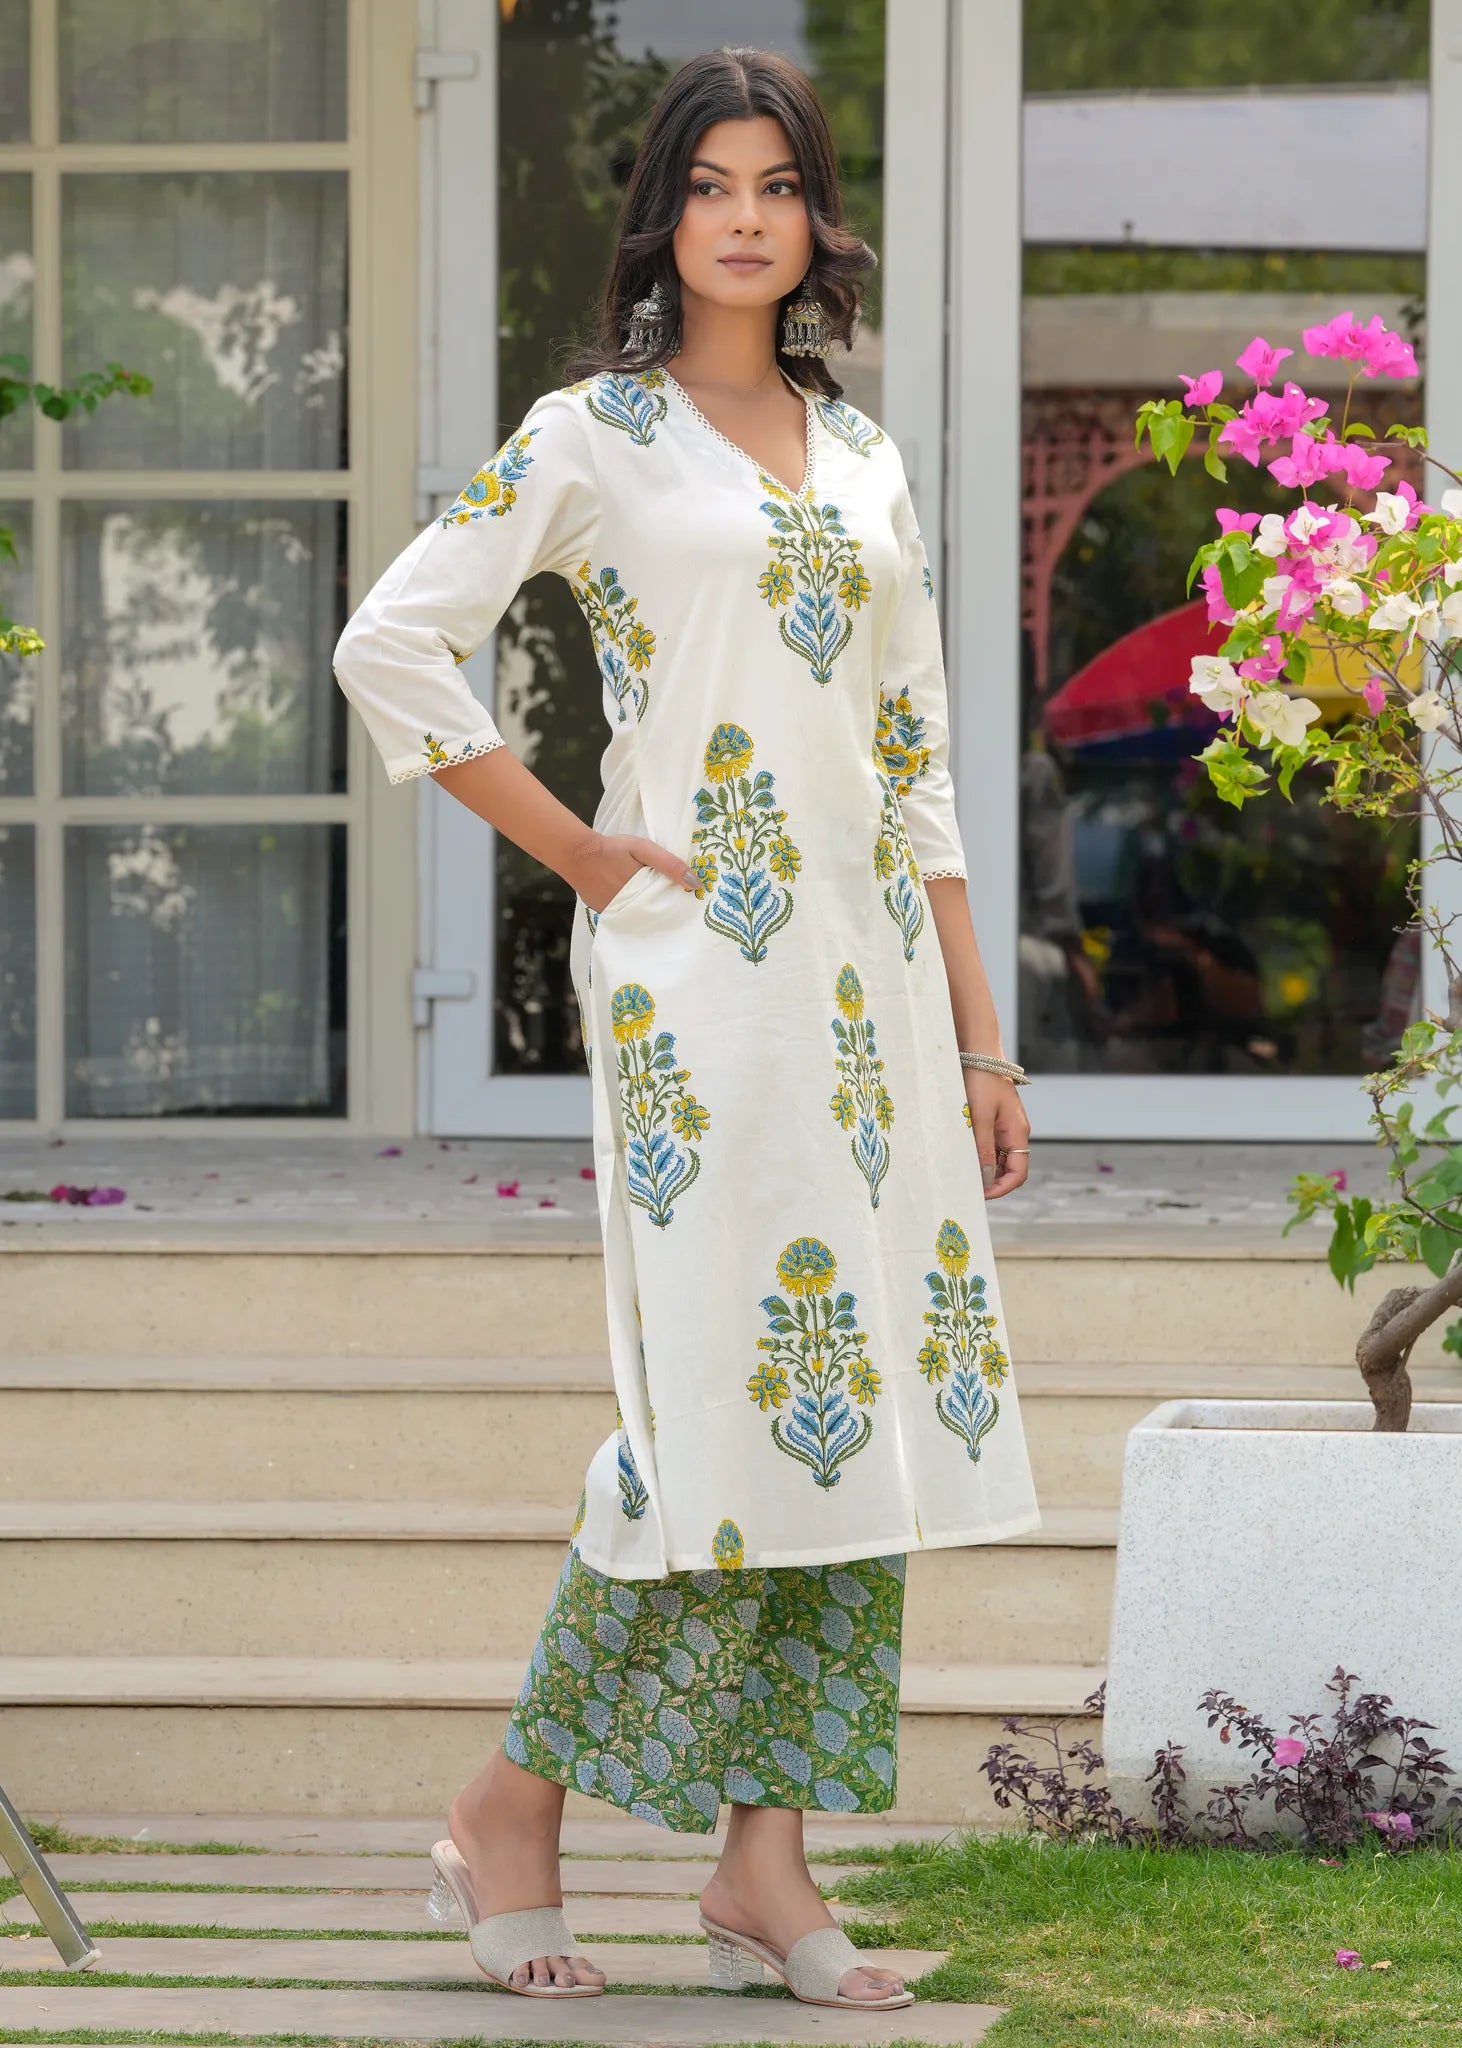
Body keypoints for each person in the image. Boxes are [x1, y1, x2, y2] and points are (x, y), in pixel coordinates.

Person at [333, 42, 1039, 2014]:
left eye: (779, 185)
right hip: (697, 980)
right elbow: (392, 639)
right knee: (709, 1414)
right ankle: (510, 1807)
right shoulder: (593, 433)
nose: (746, 217)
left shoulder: (867, 452)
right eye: (711, 184)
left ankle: (761, 1863)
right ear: (662, 217)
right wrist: (578, 847)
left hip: (869, 987)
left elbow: (916, 762)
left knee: (848, 1402)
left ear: (816, 219)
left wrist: (980, 1036)